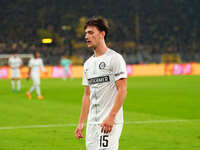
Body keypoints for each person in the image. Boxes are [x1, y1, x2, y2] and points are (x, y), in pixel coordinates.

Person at [75, 17, 127, 150]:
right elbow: (87, 95)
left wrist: (111, 116)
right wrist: (81, 122)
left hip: (109, 122)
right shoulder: (87, 64)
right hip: (92, 123)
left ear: (102, 34)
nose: (87, 36)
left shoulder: (115, 59)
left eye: (91, 32)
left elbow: (122, 90)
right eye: (86, 33)